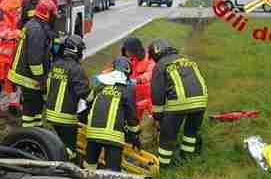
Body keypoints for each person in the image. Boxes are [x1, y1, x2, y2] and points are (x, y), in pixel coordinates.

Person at [148, 39, 208, 167]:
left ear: (155, 54)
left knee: (167, 137)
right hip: (201, 101)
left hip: (179, 103)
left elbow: (157, 92)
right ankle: (187, 158)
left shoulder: (160, 66)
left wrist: (158, 116)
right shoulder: (188, 60)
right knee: (190, 132)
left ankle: (164, 166)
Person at [84, 56, 140, 172]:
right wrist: (134, 135)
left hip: (93, 133)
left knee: (89, 166)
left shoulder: (100, 85)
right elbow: (132, 116)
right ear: (128, 71)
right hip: (113, 137)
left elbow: (88, 101)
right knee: (112, 171)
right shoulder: (127, 89)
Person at [8, 0, 58, 127]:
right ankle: (29, 131)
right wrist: (41, 78)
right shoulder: (36, 30)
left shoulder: (36, 25)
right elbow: (35, 59)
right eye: (53, 14)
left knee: (37, 103)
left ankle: (37, 128)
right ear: (46, 14)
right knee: (31, 104)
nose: (55, 17)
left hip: (28, 73)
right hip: (28, 75)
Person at [44, 35, 91, 162]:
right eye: (81, 50)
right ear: (75, 50)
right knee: (70, 149)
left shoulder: (55, 65)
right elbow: (84, 93)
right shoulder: (76, 69)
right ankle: (68, 166)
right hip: (66, 118)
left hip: (50, 114)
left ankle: (55, 159)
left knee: (57, 144)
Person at [121, 37, 155, 118]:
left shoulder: (150, 59)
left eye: (128, 51)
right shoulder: (132, 59)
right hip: (136, 95)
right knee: (135, 118)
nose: (126, 53)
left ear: (135, 50)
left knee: (157, 117)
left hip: (149, 97)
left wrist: (137, 80)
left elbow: (149, 74)